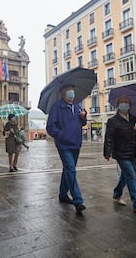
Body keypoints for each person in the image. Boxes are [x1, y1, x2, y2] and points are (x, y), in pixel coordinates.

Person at [103, 95, 136, 217]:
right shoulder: (113, 121)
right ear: (118, 105)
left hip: (133, 152)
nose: (124, 104)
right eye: (122, 102)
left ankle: (117, 194)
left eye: (126, 102)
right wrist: (107, 152)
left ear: (130, 105)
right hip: (120, 153)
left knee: (125, 175)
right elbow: (109, 138)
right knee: (131, 176)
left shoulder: (134, 119)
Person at [46, 84, 87, 212]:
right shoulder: (57, 107)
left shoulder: (77, 106)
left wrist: (83, 117)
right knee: (71, 170)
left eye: (72, 91)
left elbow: (83, 123)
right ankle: (78, 200)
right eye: (69, 91)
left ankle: (63, 194)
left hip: (76, 143)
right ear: (62, 93)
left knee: (68, 170)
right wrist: (61, 135)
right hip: (64, 144)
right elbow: (50, 127)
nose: (71, 93)